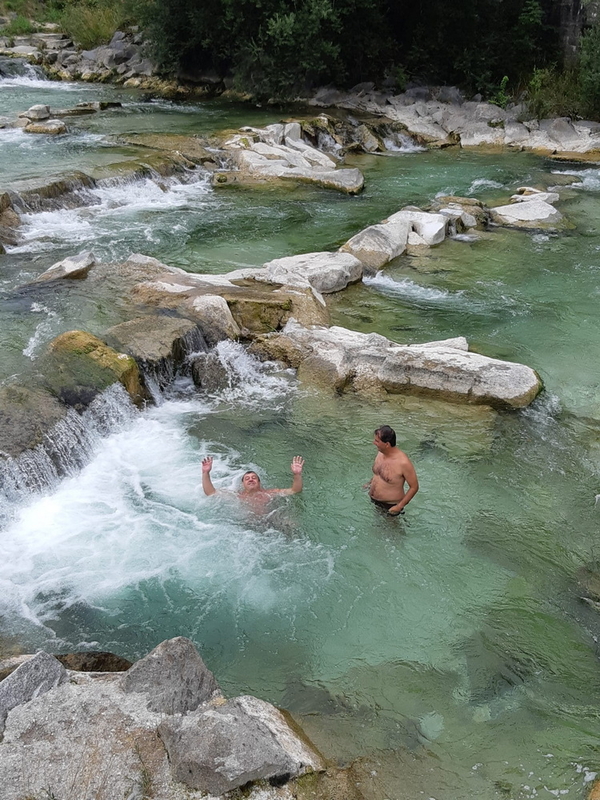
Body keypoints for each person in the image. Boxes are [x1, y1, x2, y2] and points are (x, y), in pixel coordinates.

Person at [202, 455, 304, 514]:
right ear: (243, 484)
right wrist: (205, 473)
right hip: (248, 528)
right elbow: (210, 492)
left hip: (271, 522)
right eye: (247, 479)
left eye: (254, 478)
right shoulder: (237, 496)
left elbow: (295, 490)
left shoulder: (271, 493)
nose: (251, 480)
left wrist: (297, 474)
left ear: (259, 482)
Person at [366, 425, 419, 516]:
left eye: (377, 441)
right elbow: (379, 473)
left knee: (392, 530)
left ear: (387, 444)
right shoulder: (380, 453)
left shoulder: (403, 463)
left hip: (390, 506)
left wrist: (399, 506)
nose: (374, 443)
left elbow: (414, 487)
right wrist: (369, 483)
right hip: (374, 500)